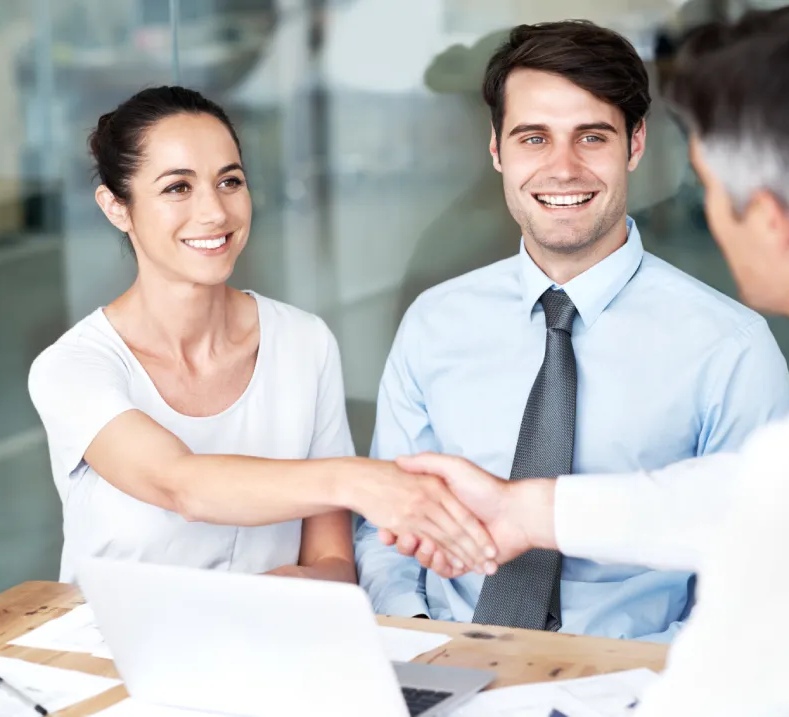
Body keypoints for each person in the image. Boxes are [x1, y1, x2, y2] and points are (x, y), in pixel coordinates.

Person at [389, 1, 789, 713]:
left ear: (770, 220)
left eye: (710, 191)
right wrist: (535, 510)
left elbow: (728, 667)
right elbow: (739, 495)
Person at [355, 20, 789, 640]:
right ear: (497, 150)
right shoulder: (434, 322)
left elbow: (760, 567)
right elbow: (386, 529)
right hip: (447, 657)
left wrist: (641, 676)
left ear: (635, 145)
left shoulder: (730, 347)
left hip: (643, 674)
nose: (562, 169)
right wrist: (419, 633)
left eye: (591, 137)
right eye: (534, 138)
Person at [27, 86, 495, 586]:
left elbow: (333, 563)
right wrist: (360, 480)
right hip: (104, 636)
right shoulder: (71, 368)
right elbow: (182, 486)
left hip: (266, 633)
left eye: (229, 181)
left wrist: (277, 596)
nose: (214, 212)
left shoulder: (303, 342)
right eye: (178, 188)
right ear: (116, 207)